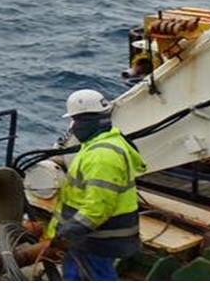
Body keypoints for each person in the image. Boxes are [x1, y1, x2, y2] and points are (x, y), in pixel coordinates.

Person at [46, 89, 146, 281]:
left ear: (87, 120)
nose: (73, 126)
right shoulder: (103, 143)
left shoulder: (102, 156)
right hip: (92, 238)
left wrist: (70, 230)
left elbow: (98, 206)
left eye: (75, 120)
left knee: (96, 274)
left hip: (97, 238)